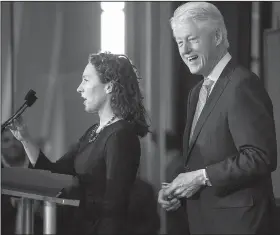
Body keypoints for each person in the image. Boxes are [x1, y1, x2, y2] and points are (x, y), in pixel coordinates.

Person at [158, 2, 277, 234]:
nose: (184, 50)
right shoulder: (196, 93)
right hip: (205, 222)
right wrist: (177, 189)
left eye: (192, 39)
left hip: (241, 225)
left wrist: (200, 178)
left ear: (217, 36)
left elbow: (261, 157)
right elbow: (203, 163)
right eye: (179, 42)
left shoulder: (242, 84)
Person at [9, 51, 149, 235]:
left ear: (109, 87)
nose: (79, 88)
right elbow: (53, 173)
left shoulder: (121, 135)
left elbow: (114, 208)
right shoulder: (93, 132)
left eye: (86, 80)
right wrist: (25, 138)